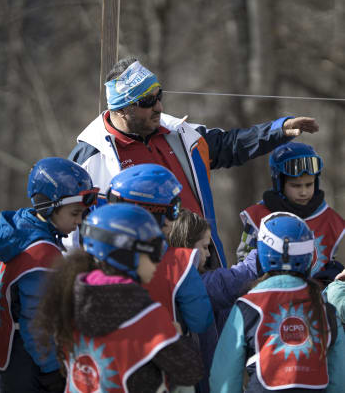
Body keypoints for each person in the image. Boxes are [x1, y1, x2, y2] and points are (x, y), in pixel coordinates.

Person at [69, 56, 320, 267]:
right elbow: (72, 237)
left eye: (159, 96)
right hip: (145, 276)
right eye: (147, 101)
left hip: (202, 262)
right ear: (121, 109)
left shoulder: (180, 134)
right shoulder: (91, 159)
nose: (158, 106)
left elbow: (229, 145)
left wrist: (279, 130)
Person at [34, 203, 204, 393]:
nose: (158, 259)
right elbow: (190, 372)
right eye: (154, 250)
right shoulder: (147, 315)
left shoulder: (68, 300)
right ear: (127, 256)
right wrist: (178, 338)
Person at [0, 157, 98, 393]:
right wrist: (52, 370)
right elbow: (36, 323)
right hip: (28, 358)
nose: (79, 221)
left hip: (3, 347)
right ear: (49, 206)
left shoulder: (18, 227)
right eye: (75, 213)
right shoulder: (41, 255)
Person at [210, 212, 345, 393]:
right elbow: (339, 374)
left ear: (264, 253)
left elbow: (224, 375)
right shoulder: (325, 308)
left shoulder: (247, 306)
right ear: (308, 255)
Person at [106, 164, 213, 335]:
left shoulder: (96, 255)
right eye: (174, 209)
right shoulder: (179, 262)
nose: (176, 217)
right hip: (163, 354)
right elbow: (201, 321)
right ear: (153, 212)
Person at [168, 209, 258, 393]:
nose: (209, 254)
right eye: (204, 247)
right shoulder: (194, 285)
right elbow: (233, 280)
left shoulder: (191, 280)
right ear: (188, 247)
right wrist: (266, 251)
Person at [236, 142, 344, 282]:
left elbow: (327, 258)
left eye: (309, 184)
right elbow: (243, 259)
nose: (304, 192)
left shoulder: (328, 218)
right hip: (270, 293)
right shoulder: (258, 216)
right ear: (279, 183)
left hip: (315, 297)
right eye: (295, 185)